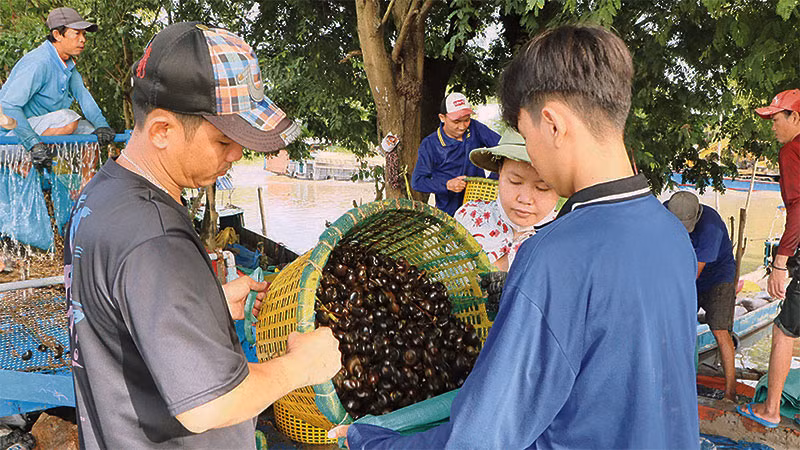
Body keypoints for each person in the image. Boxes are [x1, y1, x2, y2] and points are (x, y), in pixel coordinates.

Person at [331, 24, 699, 449]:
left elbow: (478, 440)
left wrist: (369, 440)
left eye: (525, 136)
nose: (532, 157)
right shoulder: (671, 234)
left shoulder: (556, 255)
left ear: (553, 124)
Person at [64, 22, 341, 448]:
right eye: (224, 139)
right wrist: (305, 366)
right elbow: (209, 405)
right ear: (161, 130)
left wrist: (205, 305)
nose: (238, 154)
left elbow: (119, 319)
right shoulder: (155, 239)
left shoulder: (102, 194)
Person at [737, 88, 800, 428]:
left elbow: (799, 209)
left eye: (777, 119)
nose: (772, 126)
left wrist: (780, 262)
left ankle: (770, 410)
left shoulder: (792, 150)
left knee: (783, 330)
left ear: (796, 118)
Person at [0, 7, 115, 169]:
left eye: (84, 34)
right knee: (68, 117)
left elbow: (84, 97)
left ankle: (85, 190)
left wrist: (102, 126)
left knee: (91, 135)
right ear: (57, 35)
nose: (83, 39)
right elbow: (8, 106)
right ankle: (25, 160)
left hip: (41, 132)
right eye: (77, 33)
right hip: (10, 139)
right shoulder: (39, 62)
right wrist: (33, 144)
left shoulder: (66, 65)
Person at [666, 191, 737, 401]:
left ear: (697, 215)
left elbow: (692, 276)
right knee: (676, 327)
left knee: (719, 330)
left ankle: (730, 393)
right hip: (684, 272)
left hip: (716, 278)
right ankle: (677, 381)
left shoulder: (710, 227)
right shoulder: (663, 211)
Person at [455, 129, 559, 271]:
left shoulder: (566, 239)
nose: (525, 199)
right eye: (515, 181)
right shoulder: (469, 218)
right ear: (500, 171)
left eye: (542, 187)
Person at [411, 92, 500, 216]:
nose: (462, 126)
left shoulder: (475, 128)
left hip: (479, 206)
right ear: (442, 118)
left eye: (466, 120)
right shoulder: (429, 144)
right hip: (449, 211)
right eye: (456, 121)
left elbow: (503, 149)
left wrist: (491, 180)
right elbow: (418, 182)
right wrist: (447, 184)